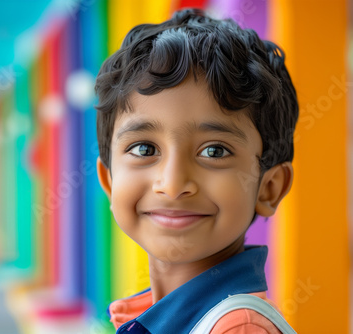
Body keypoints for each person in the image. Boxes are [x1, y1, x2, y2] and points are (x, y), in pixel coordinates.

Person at [94, 8, 298, 333]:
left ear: (268, 187)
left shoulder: (237, 328)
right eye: (144, 149)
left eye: (214, 151)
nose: (173, 184)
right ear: (109, 180)